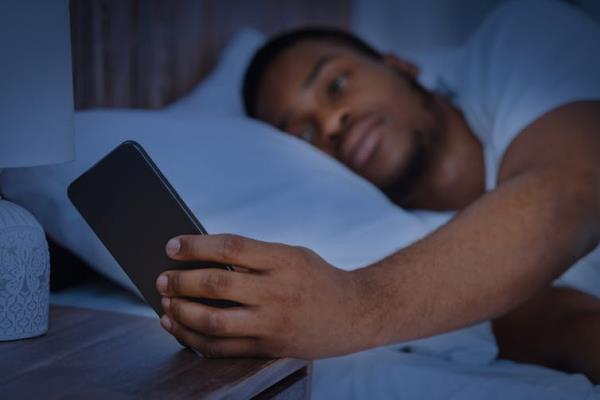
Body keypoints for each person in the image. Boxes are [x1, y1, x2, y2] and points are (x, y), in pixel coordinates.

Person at [155, 0, 600, 382]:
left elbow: (573, 191)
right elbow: (567, 328)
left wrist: (355, 305)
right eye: (305, 135)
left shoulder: (520, 39)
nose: (331, 123)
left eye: (336, 84)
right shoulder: (410, 251)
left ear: (399, 64)